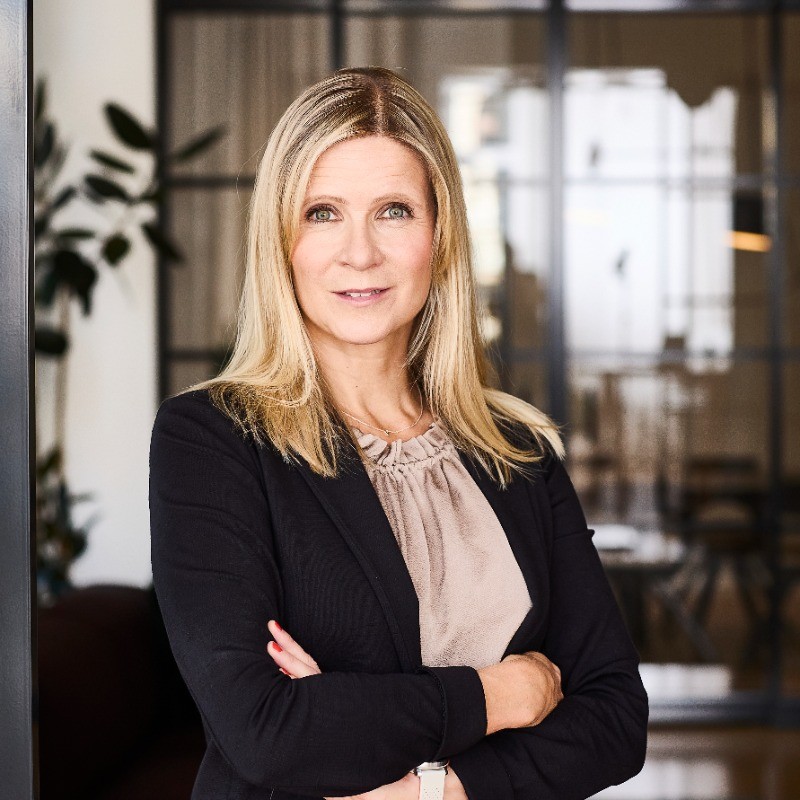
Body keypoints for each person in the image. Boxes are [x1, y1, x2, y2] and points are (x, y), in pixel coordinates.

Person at [149, 66, 648, 800]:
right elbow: (266, 730)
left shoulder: (517, 452)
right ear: (278, 239)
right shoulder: (213, 442)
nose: (359, 252)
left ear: (439, 235)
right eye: (322, 212)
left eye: (393, 211)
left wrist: (428, 788)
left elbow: (614, 721)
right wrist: (501, 695)